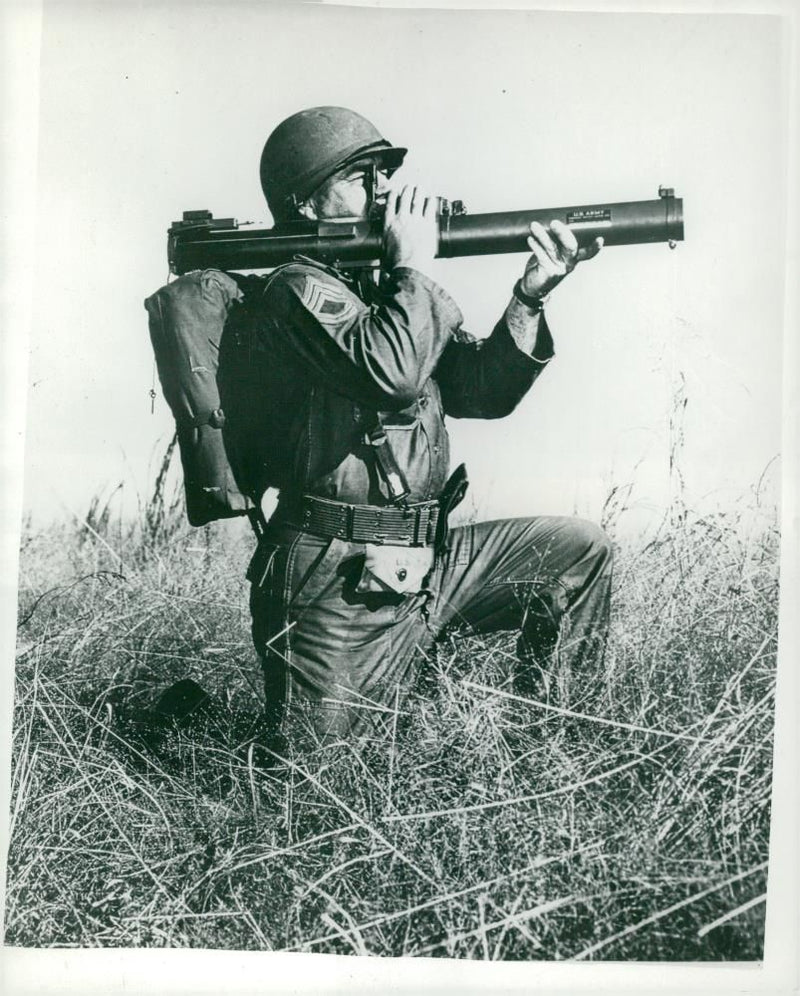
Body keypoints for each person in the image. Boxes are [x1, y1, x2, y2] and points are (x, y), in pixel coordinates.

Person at [218, 106, 612, 748]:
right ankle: (183, 719)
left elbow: (480, 392)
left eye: (385, 174)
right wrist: (415, 270)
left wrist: (530, 296)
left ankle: (561, 747)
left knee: (575, 551)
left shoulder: (381, 295)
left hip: (425, 562)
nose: (385, 193)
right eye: (362, 176)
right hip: (336, 583)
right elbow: (391, 376)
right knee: (318, 789)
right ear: (310, 205)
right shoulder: (295, 291)